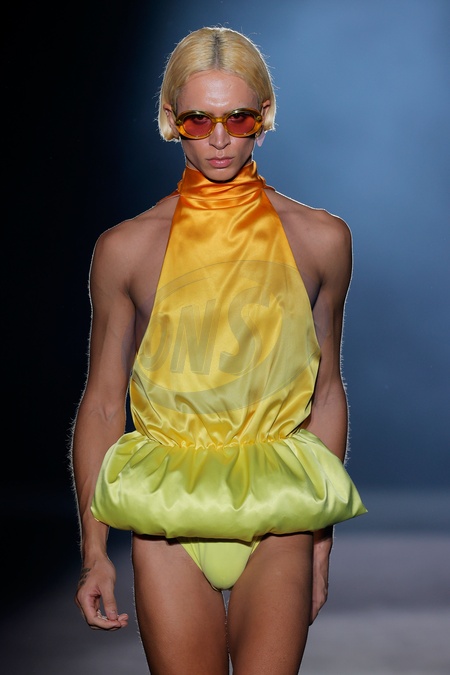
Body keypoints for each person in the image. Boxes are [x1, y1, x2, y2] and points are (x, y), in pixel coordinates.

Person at [70, 25, 366, 674]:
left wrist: (321, 544)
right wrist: (94, 552)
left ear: (265, 114)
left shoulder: (322, 239)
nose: (221, 138)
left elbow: (326, 391)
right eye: (200, 120)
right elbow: (102, 402)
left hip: (278, 510)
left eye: (238, 117)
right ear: (170, 120)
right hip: (168, 512)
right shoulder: (125, 248)